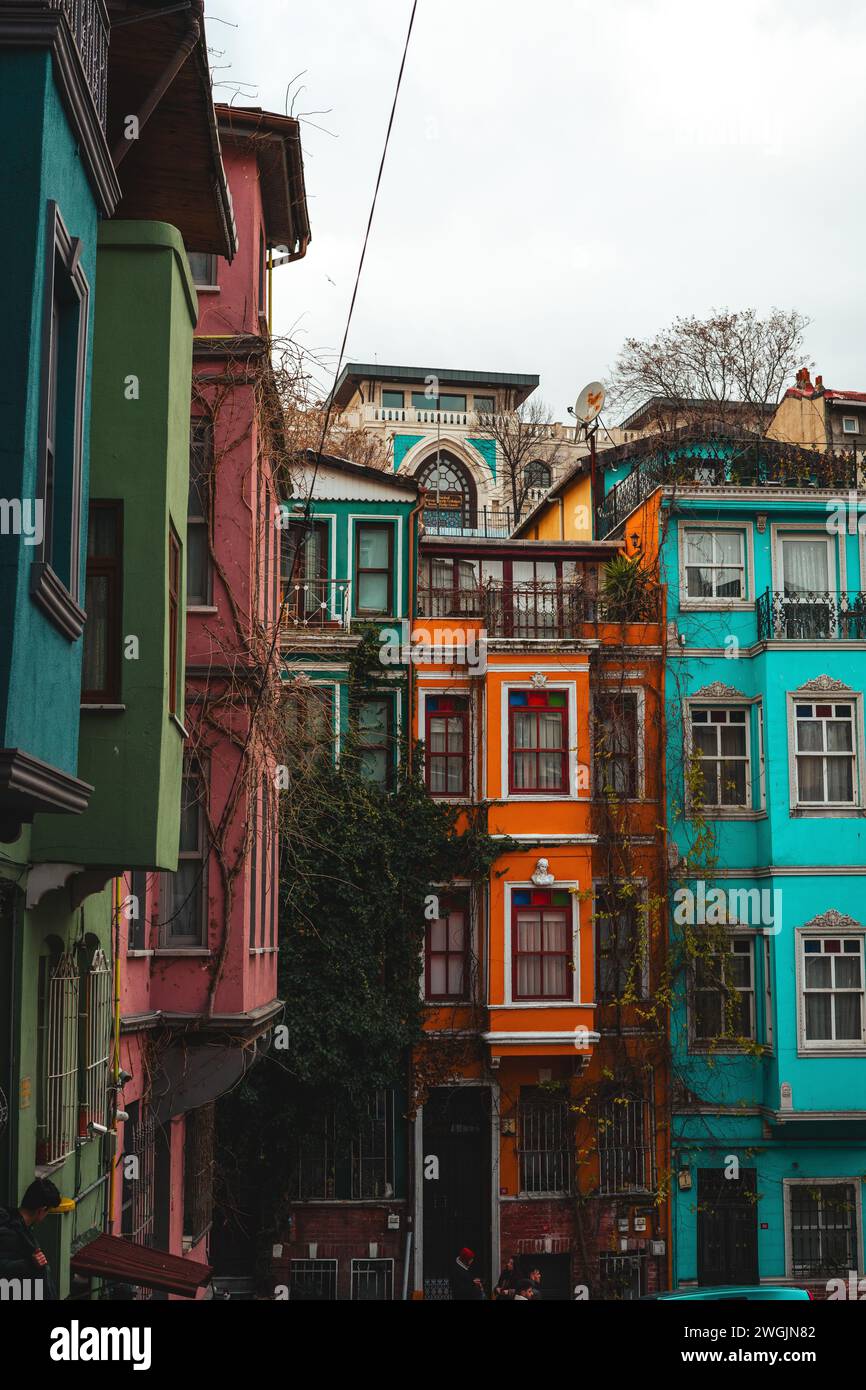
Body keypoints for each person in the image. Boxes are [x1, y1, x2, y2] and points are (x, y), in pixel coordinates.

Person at [0, 1178, 61, 1300]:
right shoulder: (14, 1235)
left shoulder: (9, 1220)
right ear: (42, 1210)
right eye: (47, 1212)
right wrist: (30, 1264)